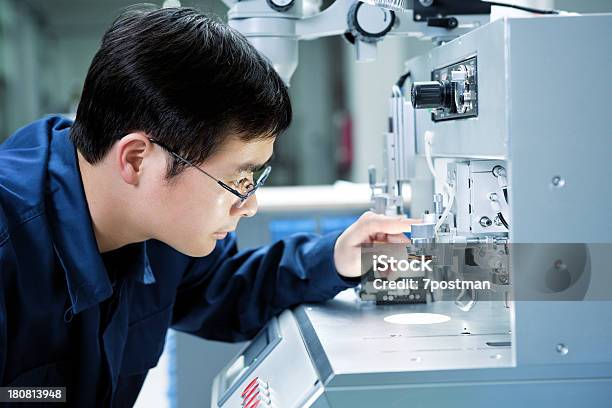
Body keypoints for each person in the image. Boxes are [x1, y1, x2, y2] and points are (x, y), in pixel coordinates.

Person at [0, 6, 414, 406]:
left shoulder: (158, 224)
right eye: (237, 180)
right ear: (136, 159)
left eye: (254, 179)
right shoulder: (10, 243)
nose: (249, 205)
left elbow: (231, 288)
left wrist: (339, 258)